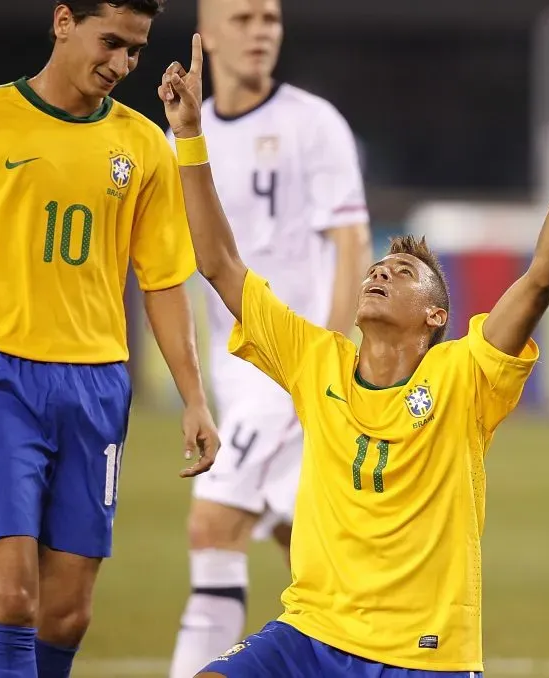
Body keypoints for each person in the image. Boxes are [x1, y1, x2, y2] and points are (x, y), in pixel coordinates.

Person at [159, 33, 549, 678]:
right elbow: (217, 263)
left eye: (402, 271)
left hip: (422, 657)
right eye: (378, 264)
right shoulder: (313, 359)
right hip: (311, 635)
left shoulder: (465, 377)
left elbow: (541, 277)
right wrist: (189, 134)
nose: (379, 272)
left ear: (437, 314)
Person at [0, 2, 221, 677]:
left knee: (67, 615)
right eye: (110, 42)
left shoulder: (141, 145)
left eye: (136, 51)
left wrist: (195, 399)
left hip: (96, 386)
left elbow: (164, 280)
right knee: (13, 597)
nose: (121, 65)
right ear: (62, 21)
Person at [167, 0, 371, 675]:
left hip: (290, 370)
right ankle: (377, 655)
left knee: (213, 526)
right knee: (308, 551)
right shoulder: (186, 137)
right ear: (209, 33)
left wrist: (329, 361)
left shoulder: (313, 124)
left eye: (271, 20)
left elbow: (351, 243)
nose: (261, 33)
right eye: (245, 19)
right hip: (237, 371)